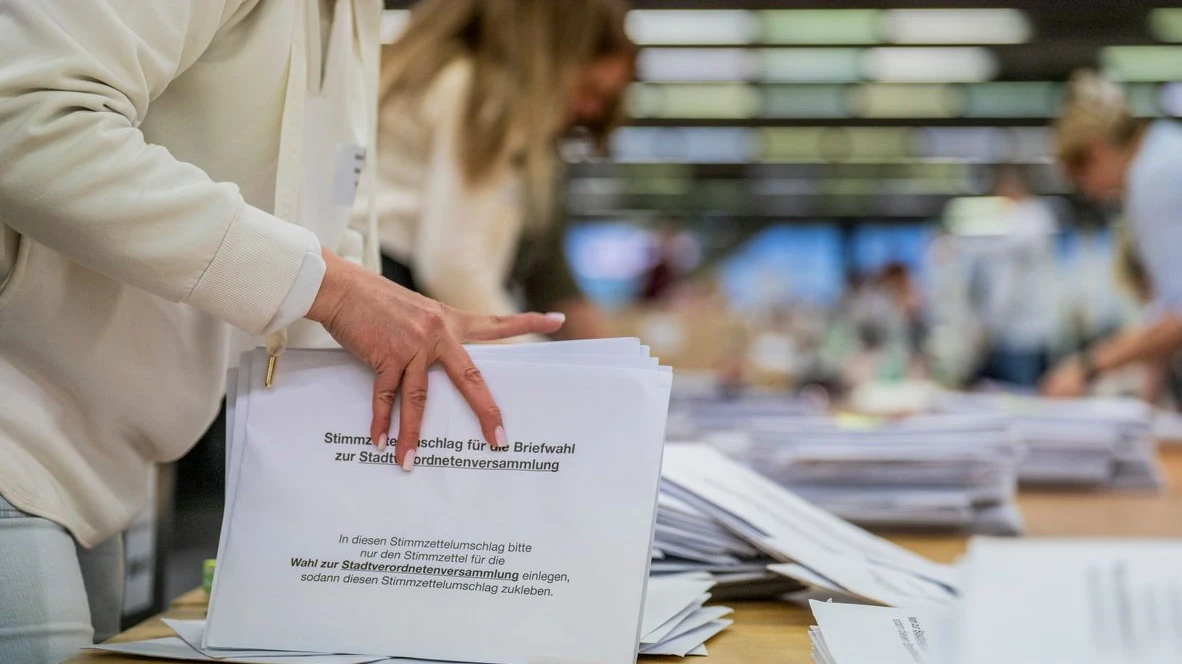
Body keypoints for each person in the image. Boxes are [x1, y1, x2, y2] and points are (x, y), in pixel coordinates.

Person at [0, 2, 561, 662]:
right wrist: (333, 288)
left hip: (97, 454)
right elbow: (23, 115)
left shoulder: (350, 17)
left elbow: (323, 224)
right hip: (20, 424)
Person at [356, 0, 635, 340]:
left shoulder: (427, 75)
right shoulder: (483, 97)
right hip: (395, 290)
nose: (587, 111)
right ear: (557, 51)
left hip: (367, 287)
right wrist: (534, 360)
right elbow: (454, 266)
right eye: (589, 89)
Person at [1042, 70, 1182, 397]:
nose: (1092, 195)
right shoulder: (1167, 148)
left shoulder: (1153, 179)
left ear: (1096, 153)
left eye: (1083, 182)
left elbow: (1179, 314)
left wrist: (1088, 365)